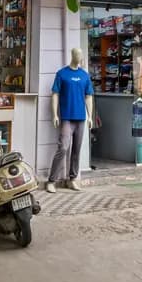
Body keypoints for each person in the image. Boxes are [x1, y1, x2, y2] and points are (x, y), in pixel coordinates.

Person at [47, 48, 95, 192]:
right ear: (72, 55)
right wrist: (54, 114)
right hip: (67, 118)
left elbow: (89, 96)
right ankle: (52, 180)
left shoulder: (85, 76)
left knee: (77, 150)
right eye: (76, 54)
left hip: (80, 118)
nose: (79, 57)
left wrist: (90, 116)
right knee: (63, 147)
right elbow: (55, 94)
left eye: (80, 54)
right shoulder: (62, 74)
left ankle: (72, 178)